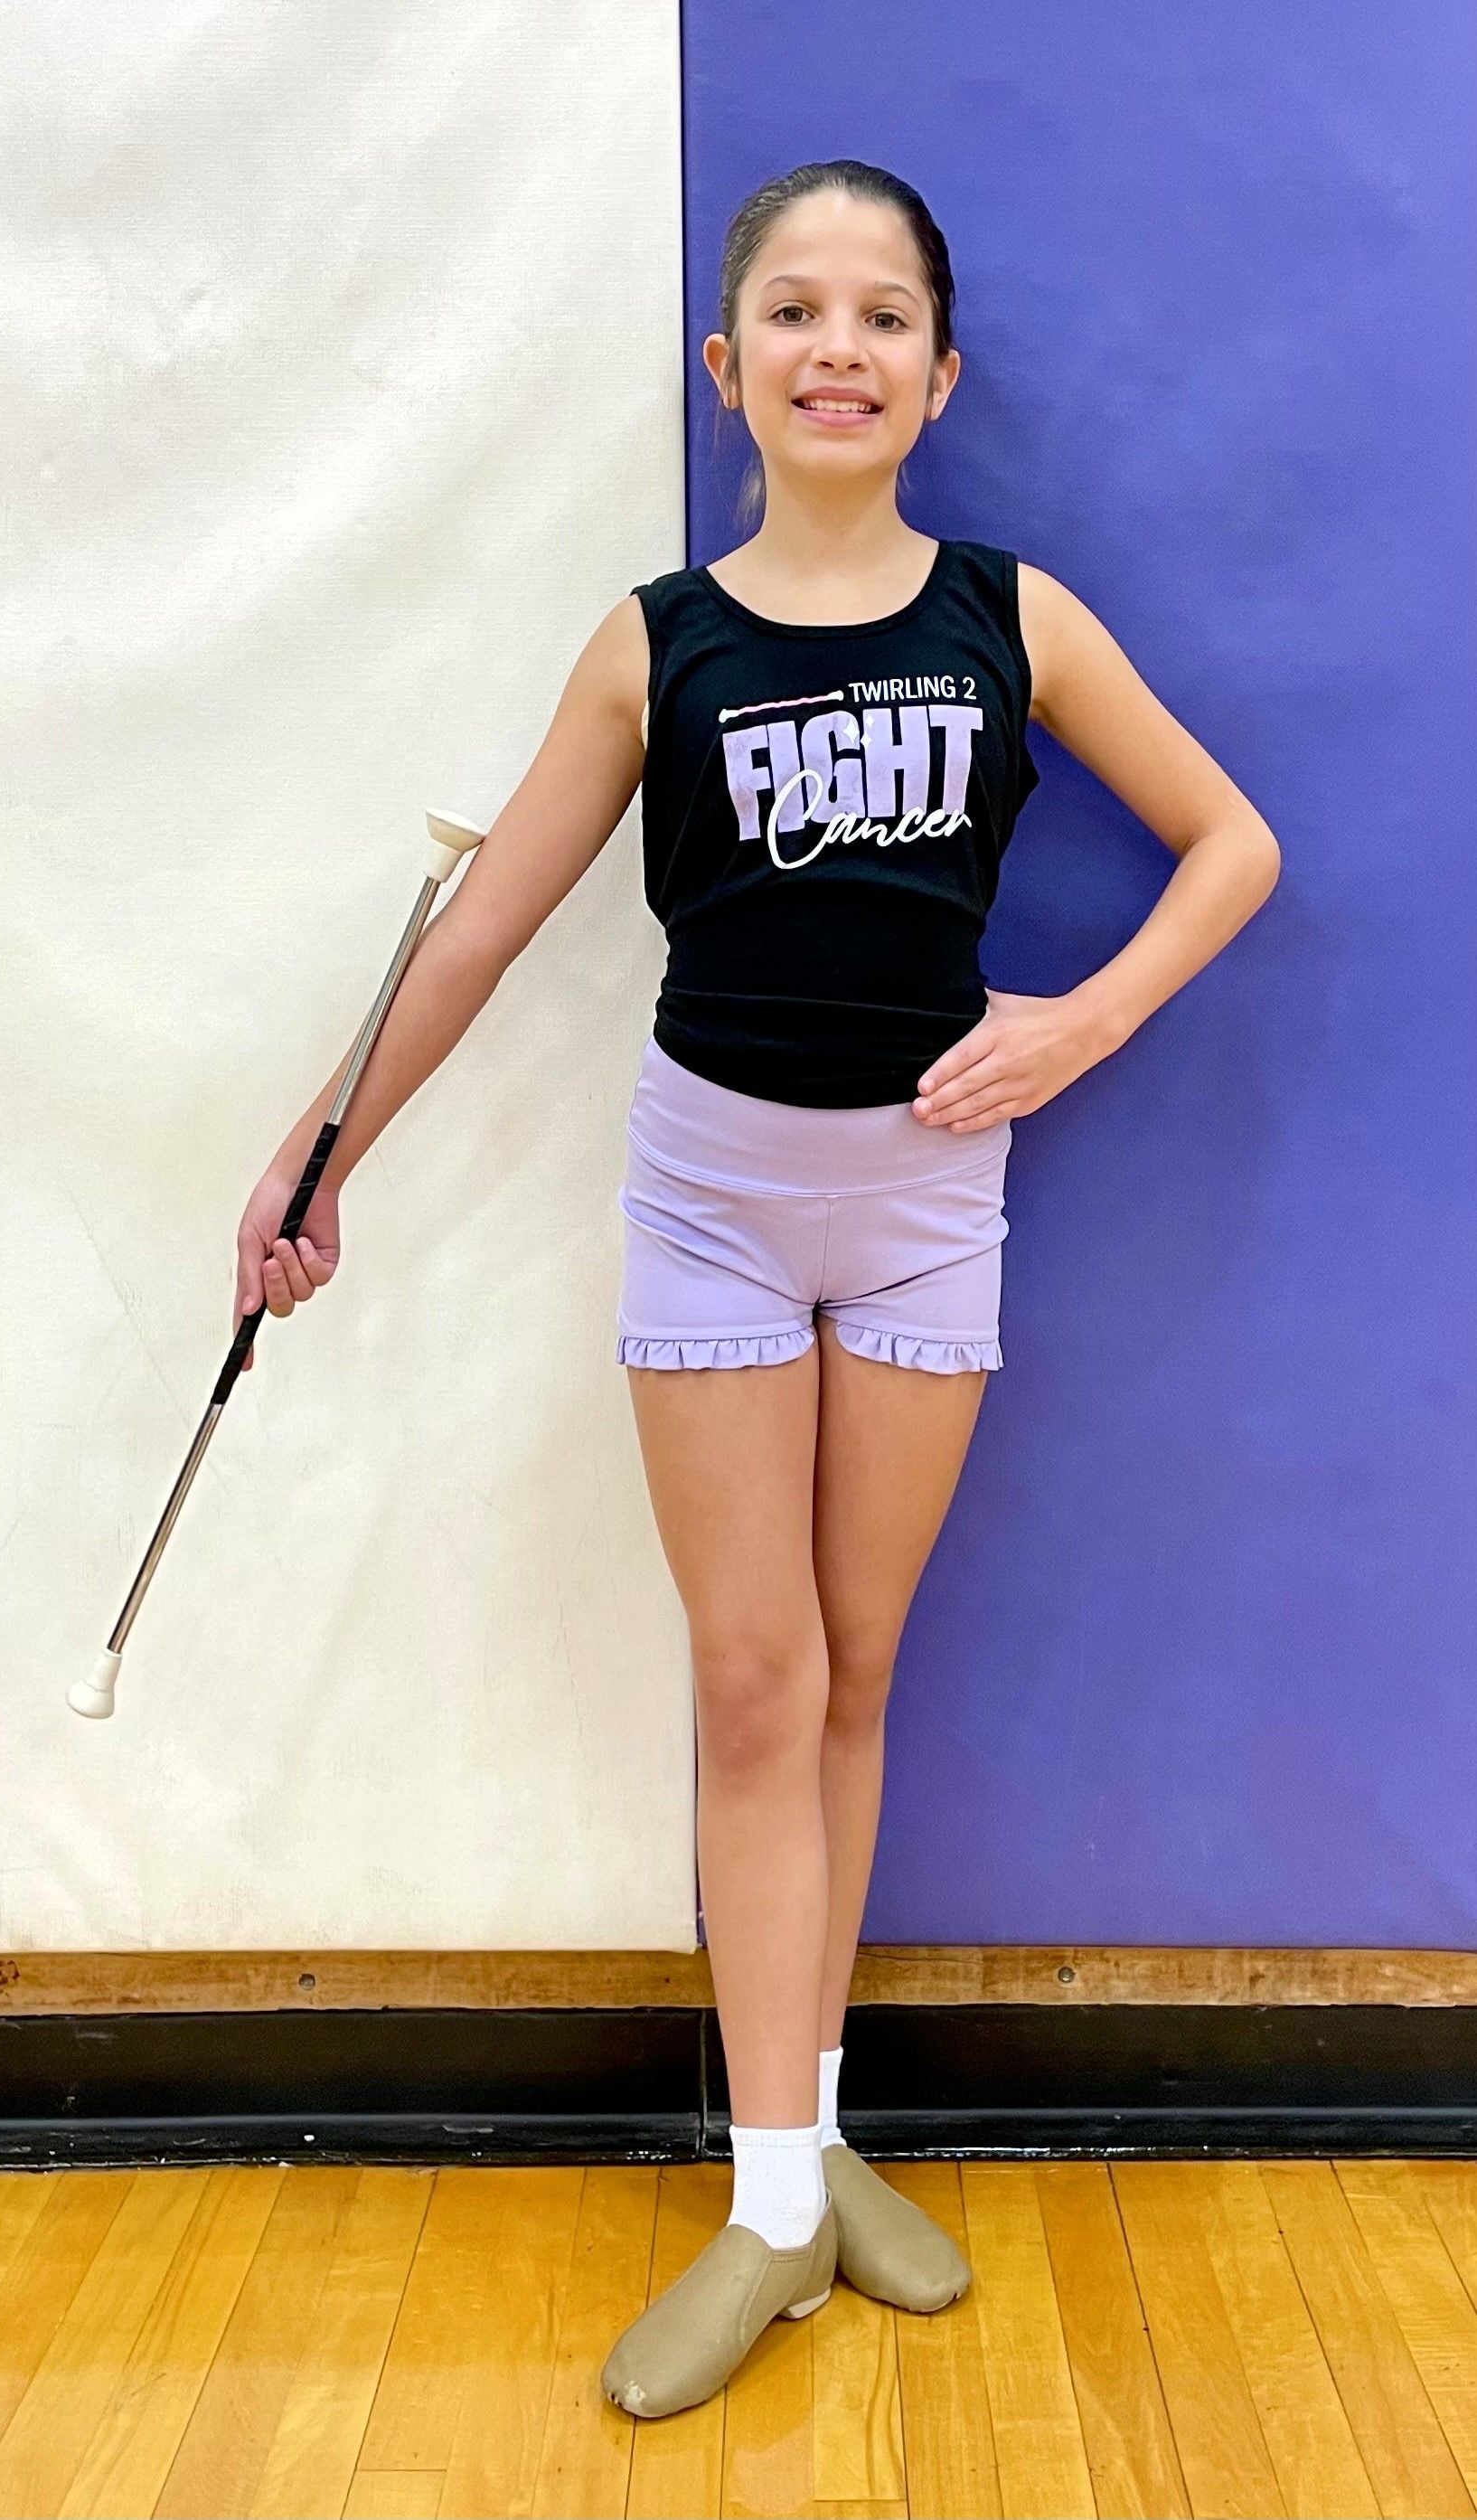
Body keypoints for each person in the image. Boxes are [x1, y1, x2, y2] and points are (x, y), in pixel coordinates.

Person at [231, 160, 1280, 2419]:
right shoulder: (652, 639)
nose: (833, 346)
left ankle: (805, 2154)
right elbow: (489, 923)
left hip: (924, 1199)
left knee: (851, 1672)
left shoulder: (1014, 614)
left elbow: (1231, 845)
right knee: (746, 1673)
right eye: (789, 310)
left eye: (878, 315)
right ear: (728, 369)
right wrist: (322, 1147)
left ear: (934, 374)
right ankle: (764, 2195)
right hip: (710, 1193)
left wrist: (1072, 1022)